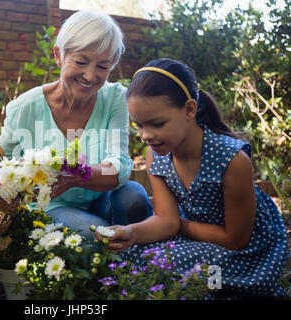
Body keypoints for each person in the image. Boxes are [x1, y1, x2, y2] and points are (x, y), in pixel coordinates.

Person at [0, 10, 153, 237]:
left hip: (103, 200)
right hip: (52, 207)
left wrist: (77, 175)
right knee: (90, 234)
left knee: (133, 196)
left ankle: (132, 259)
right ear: (59, 55)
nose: (90, 75)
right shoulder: (24, 108)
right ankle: (115, 258)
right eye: (81, 61)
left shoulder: (115, 98)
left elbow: (120, 168)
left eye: (102, 67)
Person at [99, 58, 289, 298]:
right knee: (135, 254)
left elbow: (235, 240)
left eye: (157, 124)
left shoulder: (232, 160)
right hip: (197, 239)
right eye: (138, 125)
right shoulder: (155, 157)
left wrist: (179, 224)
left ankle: (229, 288)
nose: (146, 135)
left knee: (189, 267)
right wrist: (131, 233)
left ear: (189, 109)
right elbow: (165, 220)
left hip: (245, 253)